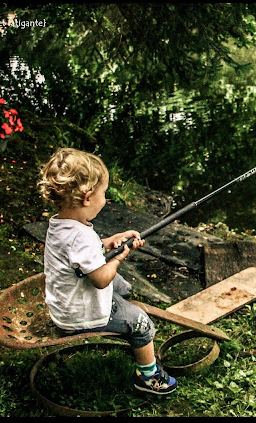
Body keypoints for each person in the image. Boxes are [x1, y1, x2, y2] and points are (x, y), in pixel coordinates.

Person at [38, 148, 177, 395]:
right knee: (141, 322)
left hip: (64, 303)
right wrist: (119, 257)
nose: (106, 199)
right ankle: (148, 377)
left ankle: (120, 305)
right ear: (88, 197)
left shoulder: (60, 224)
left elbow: (83, 251)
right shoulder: (80, 236)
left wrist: (110, 241)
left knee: (122, 286)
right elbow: (101, 280)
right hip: (80, 315)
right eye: (104, 193)